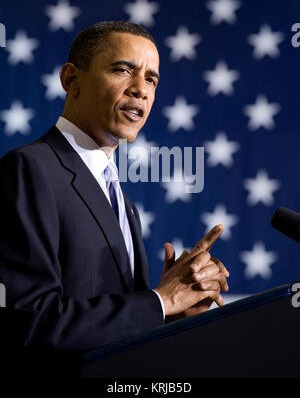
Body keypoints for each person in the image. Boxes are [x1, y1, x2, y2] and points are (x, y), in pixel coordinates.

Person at [0, 21, 229, 361]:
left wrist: (171, 311)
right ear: (71, 80)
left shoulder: (124, 204)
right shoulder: (30, 169)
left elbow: (113, 335)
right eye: (124, 70)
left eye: (151, 78)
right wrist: (160, 300)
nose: (141, 89)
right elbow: (29, 323)